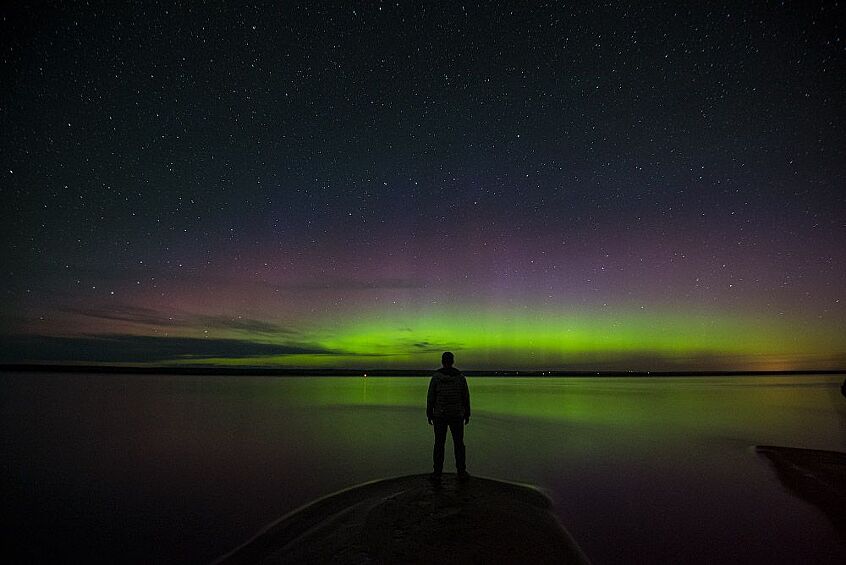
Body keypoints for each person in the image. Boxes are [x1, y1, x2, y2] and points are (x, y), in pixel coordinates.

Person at [427, 351, 471, 480]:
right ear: (452, 361)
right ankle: (461, 471)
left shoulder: (436, 377)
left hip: (440, 415)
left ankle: (437, 472)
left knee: (439, 444)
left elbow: (431, 397)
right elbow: (466, 397)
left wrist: (429, 413)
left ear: (442, 361)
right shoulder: (460, 377)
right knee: (458, 444)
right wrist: (467, 413)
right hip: (456, 415)